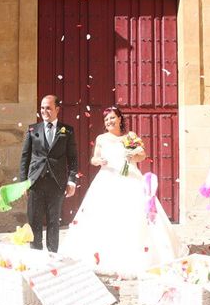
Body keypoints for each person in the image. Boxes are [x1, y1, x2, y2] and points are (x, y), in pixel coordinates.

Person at [59, 106, 188, 278]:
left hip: (130, 178)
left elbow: (142, 154)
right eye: (106, 120)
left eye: (112, 118)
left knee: (134, 215)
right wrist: (99, 161)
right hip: (107, 179)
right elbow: (93, 158)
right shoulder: (101, 138)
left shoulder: (130, 137)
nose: (109, 122)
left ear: (119, 118)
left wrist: (133, 155)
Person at [19, 95, 78, 252]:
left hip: (56, 182)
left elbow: (72, 158)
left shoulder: (67, 131)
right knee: (34, 221)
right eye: (42, 108)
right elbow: (25, 157)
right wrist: (22, 182)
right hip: (35, 182)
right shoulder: (32, 129)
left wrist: (72, 181)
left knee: (54, 221)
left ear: (57, 109)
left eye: (48, 108)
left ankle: (53, 257)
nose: (44, 111)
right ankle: (36, 255)